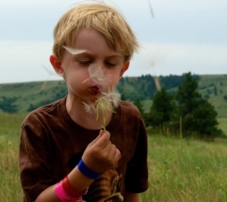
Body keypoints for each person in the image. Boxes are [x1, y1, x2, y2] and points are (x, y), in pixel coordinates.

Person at [19, 2, 148, 202]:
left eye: (110, 63)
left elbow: (132, 191)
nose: (97, 74)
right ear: (59, 65)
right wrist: (86, 170)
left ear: (123, 69)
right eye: (85, 61)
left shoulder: (131, 120)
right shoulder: (39, 126)